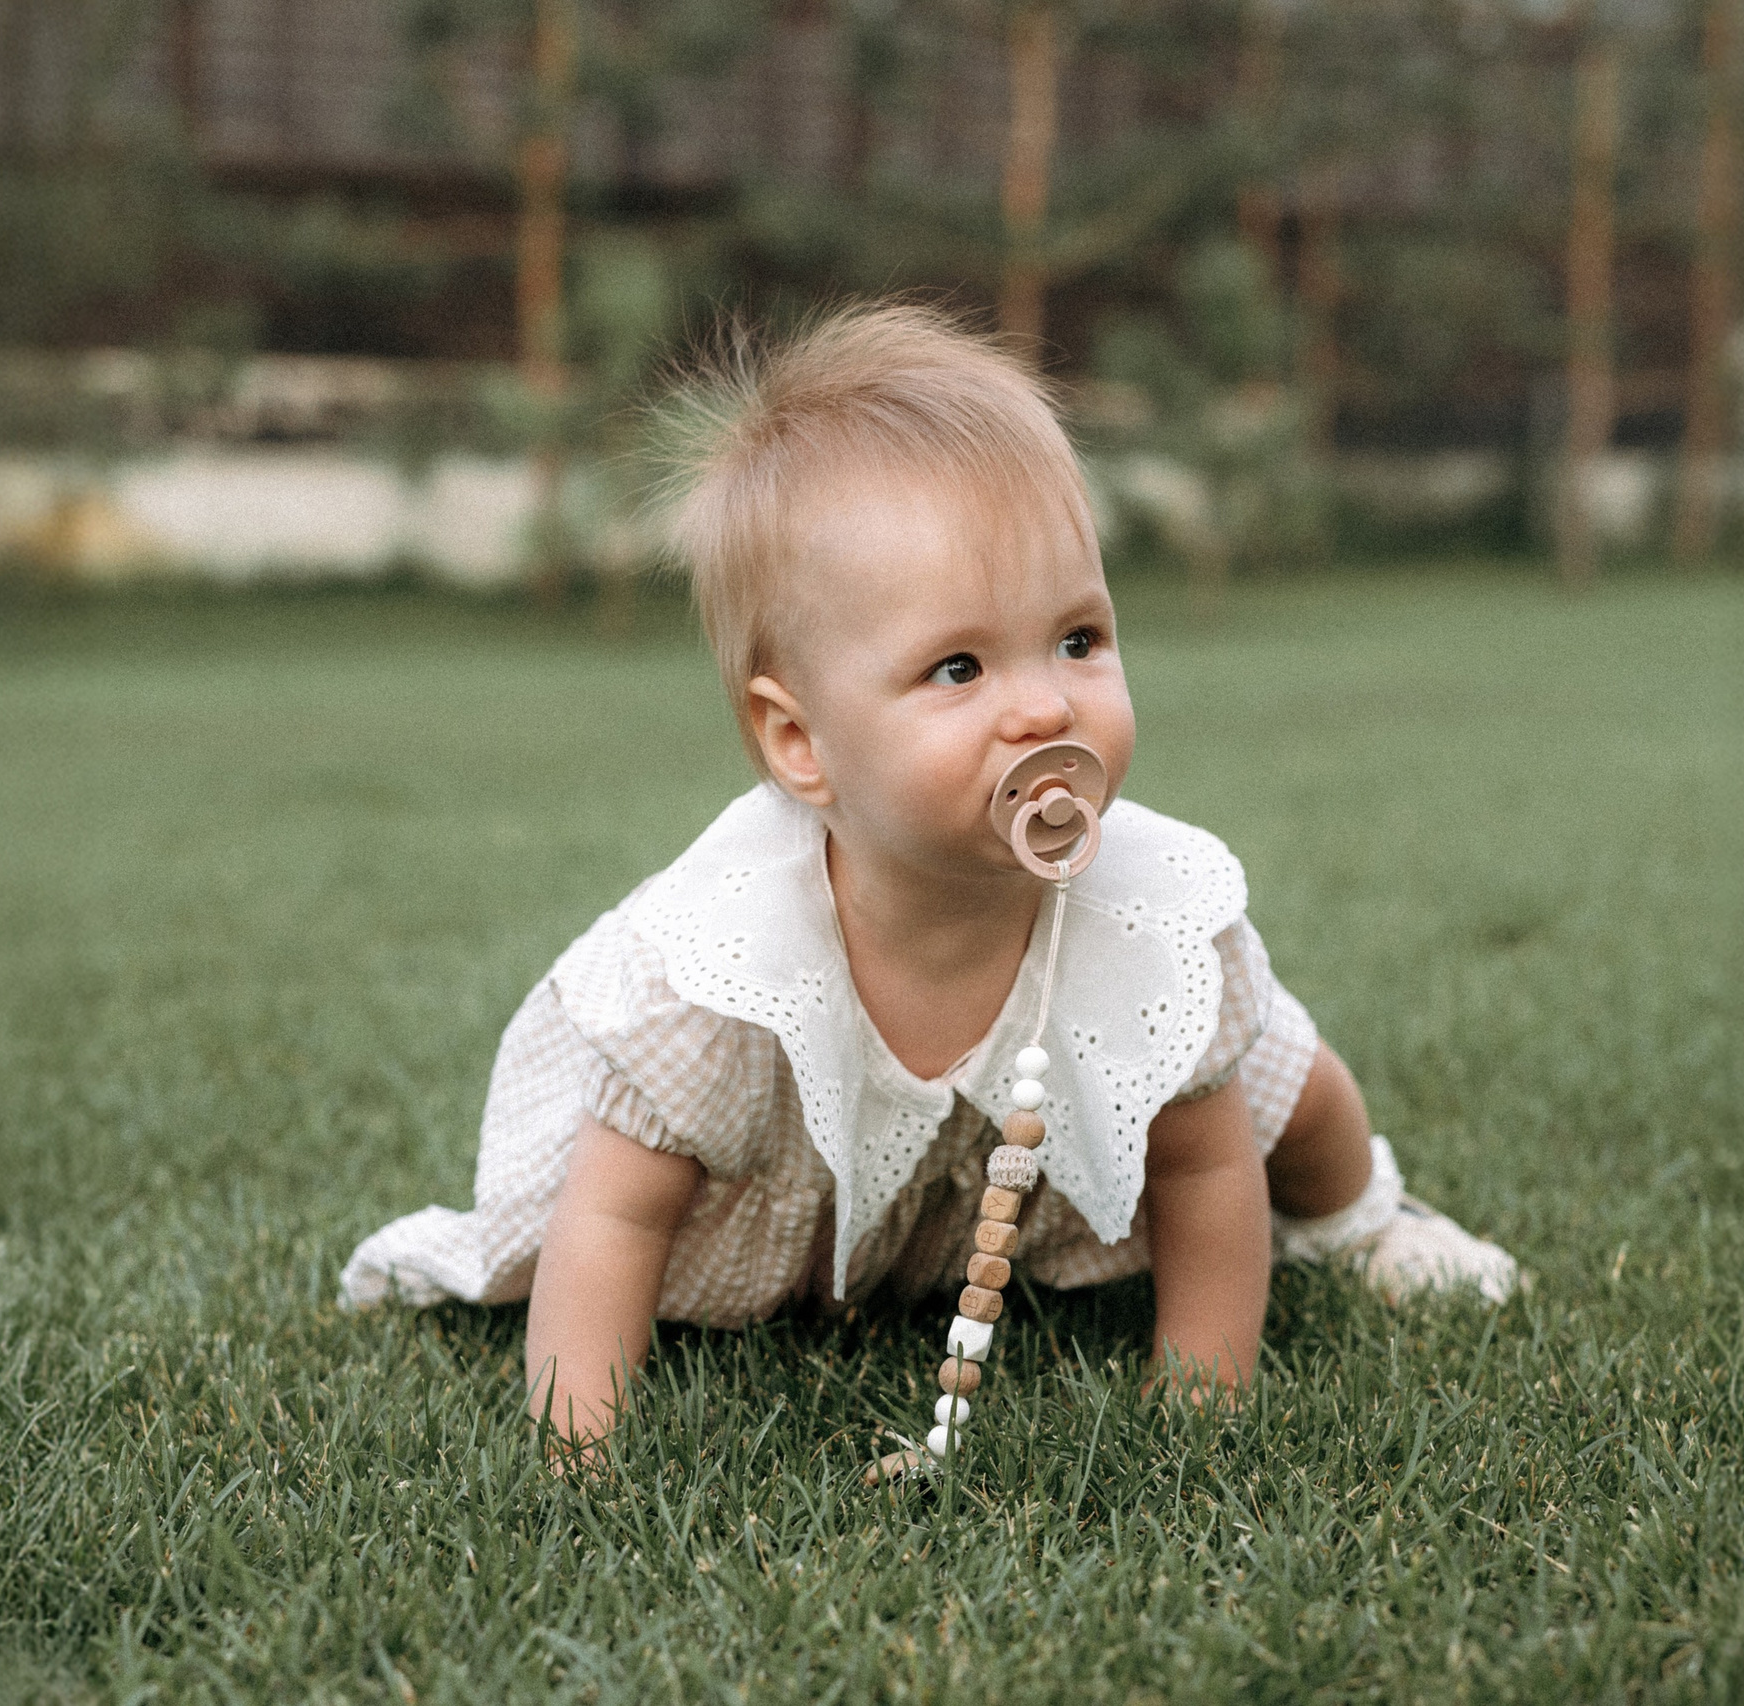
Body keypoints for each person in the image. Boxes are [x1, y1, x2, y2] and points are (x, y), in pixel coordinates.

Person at [342, 302, 1519, 1442]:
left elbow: (1204, 1160)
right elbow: (611, 1211)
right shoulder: (725, 968)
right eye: (958, 667)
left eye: (1078, 638)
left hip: (1027, 1157)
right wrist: (576, 1445)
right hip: (808, 1191)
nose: (1047, 703)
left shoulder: (1141, 916)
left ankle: (1365, 1221)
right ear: (800, 744)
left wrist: (1199, 1404)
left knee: (1291, 1085)